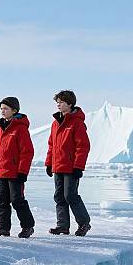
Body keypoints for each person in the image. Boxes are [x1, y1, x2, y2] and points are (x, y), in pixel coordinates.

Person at [45, 90, 91, 236]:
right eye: (57, 102)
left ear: (70, 104)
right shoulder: (55, 123)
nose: (58, 105)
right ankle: (63, 226)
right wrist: (49, 163)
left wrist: (78, 166)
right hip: (58, 166)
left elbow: (83, 146)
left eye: (61, 102)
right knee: (59, 196)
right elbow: (51, 145)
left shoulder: (77, 123)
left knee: (70, 195)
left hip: (71, 167)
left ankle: (84, 223)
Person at [0, 97, 35, 238]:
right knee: (1, 200)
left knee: (17, 200)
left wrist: (22, 171)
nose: (3, 111)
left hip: (15, 173)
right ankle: (3, 228)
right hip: (2, 172)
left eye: (6, 109)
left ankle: (27, 226)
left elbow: (27, 152)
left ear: (14, 110)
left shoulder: (20, 128)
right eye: (1, 108)